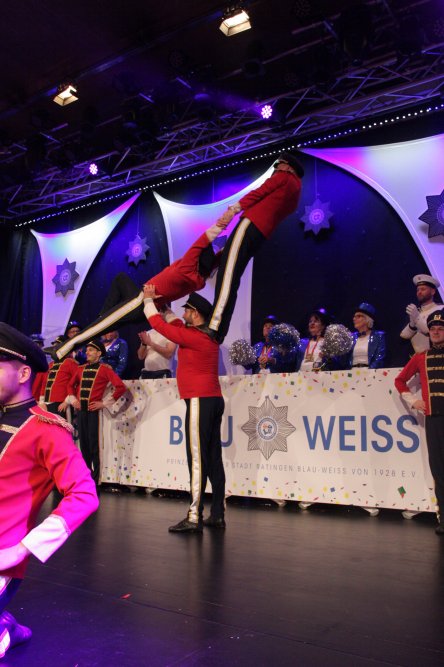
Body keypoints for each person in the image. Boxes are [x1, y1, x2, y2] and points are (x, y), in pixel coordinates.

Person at [0, 322, 99, 659]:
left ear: (23, 373)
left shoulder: (47, 429)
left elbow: (84, 495)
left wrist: (22, 549)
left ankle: (6, 630)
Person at [53, 221, 227, 360]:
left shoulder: (187, 267)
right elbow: (216, 260)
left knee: (100, 326)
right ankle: (102, 317)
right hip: (141, 297)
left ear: (197, 260)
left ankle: (61, 350)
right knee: (121, 279)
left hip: (141, 302)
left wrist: (227, 217)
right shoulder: (199, 280)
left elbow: (201, 242)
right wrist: (226, 250)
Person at [143, 287, 226, 533]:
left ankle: (194, 516)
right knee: (213, 458)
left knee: (197, 459)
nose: (183, 314)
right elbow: (174, 322)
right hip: (211, 399)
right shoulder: (205, 334)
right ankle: (217, 515)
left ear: (196, 313)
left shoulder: (193, 336)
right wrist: (163, 306)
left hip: (200, 399)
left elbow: (160, 325)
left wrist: (148, 301)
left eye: (187, 310)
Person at [207, 153, 304, 343]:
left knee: (227, 276)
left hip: (250, 223)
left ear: (287, 167)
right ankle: (219, 329)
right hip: (260, 233)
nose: (275, 171)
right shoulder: (295, 190)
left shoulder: (284, 177)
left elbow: (259, 192)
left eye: (278, 166)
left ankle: (214, 325)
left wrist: (233, 209)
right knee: (232, 277)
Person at [395, 309, 444, 534]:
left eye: (440, 329)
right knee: (439, 471)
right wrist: (413, 401)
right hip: (434, 421)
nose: (436, 332)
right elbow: (400, 380)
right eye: (433, 329)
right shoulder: (421, 357)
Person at [62, 340, 126, 484]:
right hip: (81, 412)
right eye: (87, 350)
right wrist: (74, 400)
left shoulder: (104, 369)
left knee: (94, 446)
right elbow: (70, 385)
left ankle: (96, 479)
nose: (87, 352)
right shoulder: (80, 369)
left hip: (94, 413)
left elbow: (120, 387)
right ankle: (86, 477)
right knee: (84, 445)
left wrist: (104, 403)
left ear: (98, 353)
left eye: (91, 350)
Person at [32, 341, 79, 415]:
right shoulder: (50, 365)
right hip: (47, 403)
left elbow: (76, 382)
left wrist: (67, 401)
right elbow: (45, 383)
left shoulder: (70, 363)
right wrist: (42, 402)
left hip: (61, 403)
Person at [400, 274, 442, 353]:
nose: (419, 292)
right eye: (418, 290)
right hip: (417, 356)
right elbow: (404, 336)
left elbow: (433, 332)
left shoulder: (441, 309)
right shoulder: (415, 311)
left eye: (423, 289)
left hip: (435, 354)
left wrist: (417, 319)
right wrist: (412, 324)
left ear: (433, 292)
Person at [345, 303, 386, 369]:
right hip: (352, 372)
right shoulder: (351, 337)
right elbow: (344, 359)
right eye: (354, 316)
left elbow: (379, 359)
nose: (354, 319)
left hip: (370, 372)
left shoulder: (378, 336)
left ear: (367, 319)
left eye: (358, 316)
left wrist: (369, 372)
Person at [137, 313, 177, 379]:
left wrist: (150, 343)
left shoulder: (170, 332)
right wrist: (144, 344)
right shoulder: (148, 333)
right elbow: (140, 356)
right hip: (147, 373)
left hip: (163, 373)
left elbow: (169, 353)